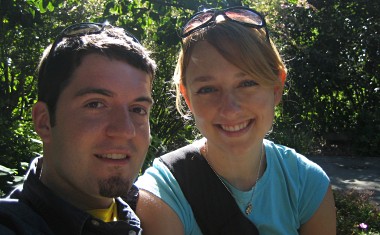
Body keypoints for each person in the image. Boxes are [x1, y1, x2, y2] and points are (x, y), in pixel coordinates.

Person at [135, 6, 336, 235]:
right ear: (188, 97)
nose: (230, 109)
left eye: (247, 83)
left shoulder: (307, 184)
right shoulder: (163, 193)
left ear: (276, 88)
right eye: (208, 89)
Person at [0, 22, 156, 235]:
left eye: (138, 109)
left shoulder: (158, 219)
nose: (125, 130)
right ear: (44, 122)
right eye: (96, 104)